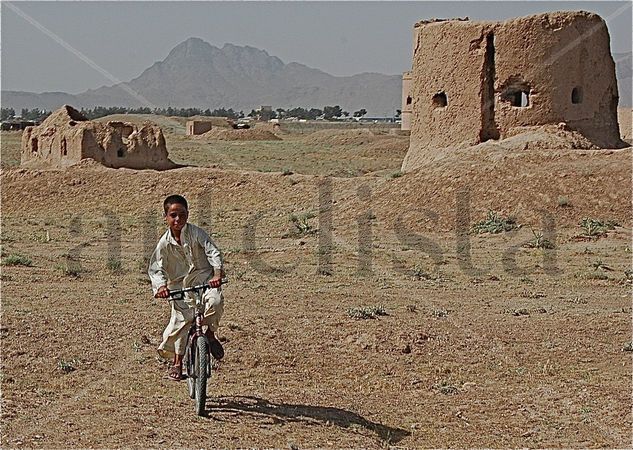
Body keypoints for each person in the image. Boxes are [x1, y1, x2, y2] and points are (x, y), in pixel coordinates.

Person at [148, 194, 225, 381]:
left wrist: (217, 274)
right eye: (173, 215)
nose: (178, 219)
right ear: (165, 217)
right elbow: (155, 268)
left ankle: (211, 334)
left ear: (188, 214)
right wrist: (160, 287)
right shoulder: (164, 243)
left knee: (215, 301)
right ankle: (177, 363)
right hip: (179, 286)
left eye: (182, 214)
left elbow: (213, 252)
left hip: (204, 280)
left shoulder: (196, 233)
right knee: (183, 321)